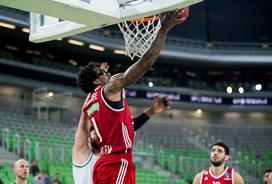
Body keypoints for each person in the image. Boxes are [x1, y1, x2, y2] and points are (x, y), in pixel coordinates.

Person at [77, 7, 189, 183]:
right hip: (116, 163)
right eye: (102, 73)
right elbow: (145, 63)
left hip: (106, 164)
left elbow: (127, 126)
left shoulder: (90, 103)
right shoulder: (109, 89)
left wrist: (151, 111)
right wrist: (163, 29)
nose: (107, 73)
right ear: (97, 82)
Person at [72, 95, 171, 184]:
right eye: (95, 131)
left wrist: (151, 111)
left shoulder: (112, 155)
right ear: (88, 140)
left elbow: (129, 127)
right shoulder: (82, 154)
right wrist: (95, 90)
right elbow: (83, 119)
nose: (99, 133)